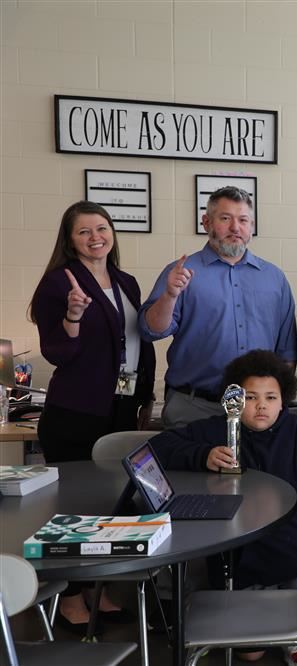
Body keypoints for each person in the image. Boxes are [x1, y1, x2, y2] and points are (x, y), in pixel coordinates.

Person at [150, 350, 297, 661]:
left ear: (283, 401)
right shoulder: (217, 428)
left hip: (291, 542)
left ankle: (289, 624)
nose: (262, 405)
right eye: (250, 397)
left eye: (271, 397)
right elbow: (156, 447)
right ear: (232, 400)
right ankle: (284, 620)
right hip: (239, 553)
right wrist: (203, 456)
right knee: (250, 655)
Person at [28, 200, 156, 634]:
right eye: (84, 231)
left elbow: (139, 343)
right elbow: (58, 353)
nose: (95, 237)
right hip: (76, 413)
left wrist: (143, 399)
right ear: (69, 239)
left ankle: (97, 589)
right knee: (73, 511)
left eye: (102, 228)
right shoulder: (57, 284)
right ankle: (68, 598)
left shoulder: (125, 282)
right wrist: (73, 315)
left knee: (109, 507)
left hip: (120, 410)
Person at [139, 186, 296, 429]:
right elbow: (150, 330)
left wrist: (278, 403)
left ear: (251, 226)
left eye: (243, 220)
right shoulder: (181, 272)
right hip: (194, 408)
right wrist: (170, 295)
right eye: (225, 218)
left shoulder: (274, 278)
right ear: (206, 223)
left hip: (256, 412)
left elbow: (286, 352)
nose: (236, 228)